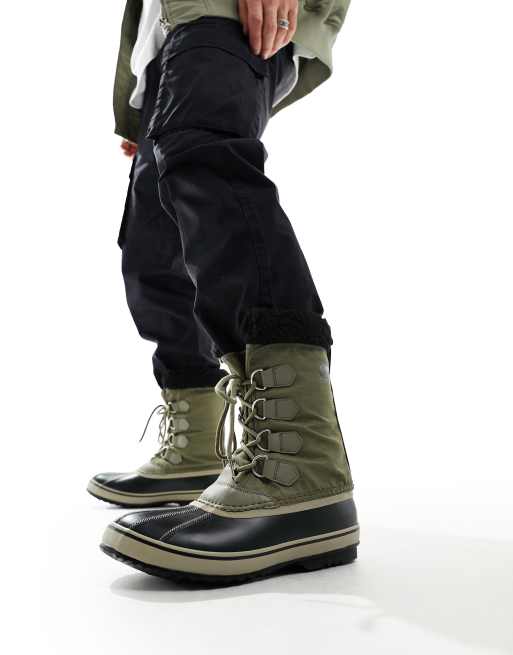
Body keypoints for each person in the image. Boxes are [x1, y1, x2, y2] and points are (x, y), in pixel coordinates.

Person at [90, 0, 359, 583]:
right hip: (170, 35)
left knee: (209, 168)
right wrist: (137, 100)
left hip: (225, 12)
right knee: (150, 242)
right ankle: (197, 445)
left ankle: (301, 468)